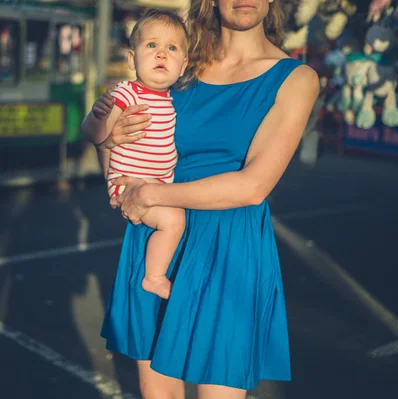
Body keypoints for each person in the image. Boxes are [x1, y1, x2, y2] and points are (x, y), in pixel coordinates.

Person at [83, 0, 319, 398]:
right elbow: (117, 159)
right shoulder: (178, 66)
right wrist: (110, 137)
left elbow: (253, 186)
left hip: (228, 246)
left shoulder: (295, 78)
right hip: (161, 239)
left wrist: (152, 193)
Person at [82, 10, 189, 299]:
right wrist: (96, 117)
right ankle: (154, 277)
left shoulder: (172, 99)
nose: (161, 54)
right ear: (132, 59)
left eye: (172, 48)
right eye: (151, 45)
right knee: (175, 220)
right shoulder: (127, 93)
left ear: (183, 65)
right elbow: (96, 135)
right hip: (131, 184)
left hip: (156, 186)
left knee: (175, 219)